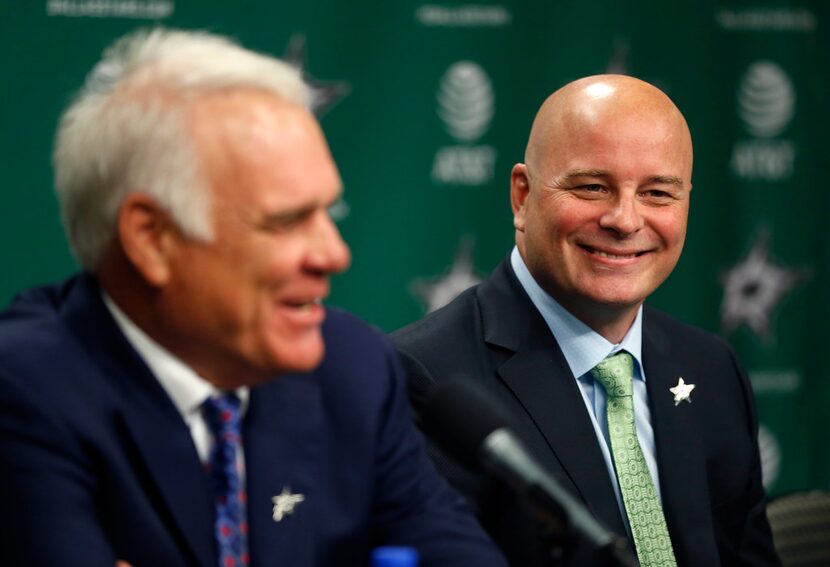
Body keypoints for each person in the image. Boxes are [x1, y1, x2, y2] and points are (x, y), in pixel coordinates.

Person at [0, 28, 507, 567]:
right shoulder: (26, 393)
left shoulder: (351, 367)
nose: (334, 255)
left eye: (327, 212)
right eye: (287, 221)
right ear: (152, 239)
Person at [393, 75, 781, 566]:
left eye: (658, 193)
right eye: (593, 187)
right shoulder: (420, 380)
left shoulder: (712, 366)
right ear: (522, 196)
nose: (625, 219)